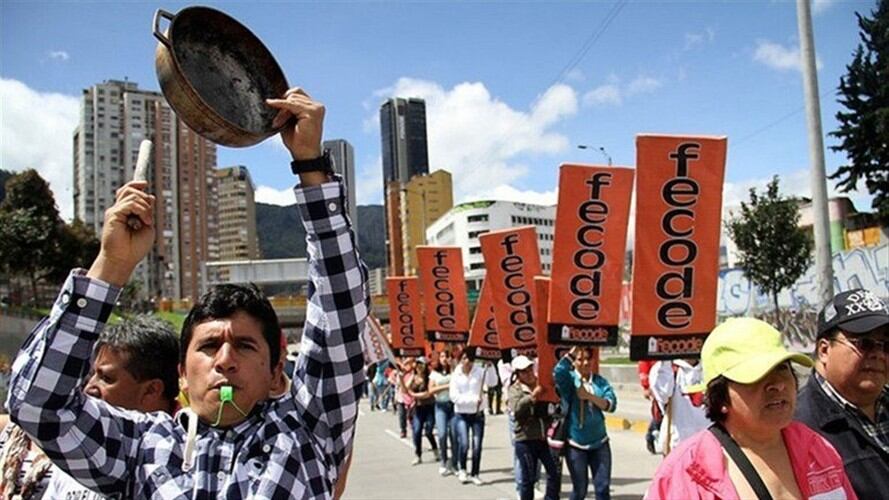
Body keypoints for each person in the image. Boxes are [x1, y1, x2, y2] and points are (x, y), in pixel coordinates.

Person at [7, 88, 369, 498]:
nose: (226, 360)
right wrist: (112, 265)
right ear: (181, 373)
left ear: (274, 374)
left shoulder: (308, 428)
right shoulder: (139, 448)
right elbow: (38, 404)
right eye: (209, 346)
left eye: (246, 346)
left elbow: (339, 308)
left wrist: (310, 164)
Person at [646, 318, 857, 500]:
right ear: (720, 397)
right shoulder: (687, 471)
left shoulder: (817, 448)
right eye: (756, 375)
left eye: (782, 368)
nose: (778, 385)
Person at [43, 316, 180, 499]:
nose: (89, 389)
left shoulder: (186, 457)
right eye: (91, 375)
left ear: (151, 390)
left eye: (106, 378)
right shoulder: (79, 444)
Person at [795, 289, 889, 499]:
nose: (878, 355)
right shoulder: (797, 426)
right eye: (864, 344)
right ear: (824, 351)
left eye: (887, 346)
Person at [554, 347, 616, 500]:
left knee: (602, 488)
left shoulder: (599, 382)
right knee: (580, 490)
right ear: (575, 362)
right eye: (580, 359)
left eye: (588, 359)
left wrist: (589, 396)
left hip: (600, 442)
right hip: (576, 444)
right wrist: (572, 352)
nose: (585, 363)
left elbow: (611, 404)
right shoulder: (569, 381)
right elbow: (558, 371)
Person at [508, 355, 559, 500]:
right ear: (518, 374)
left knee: (553, 472)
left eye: (530, 369)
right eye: (524, 371)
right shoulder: (515, 389)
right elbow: (516, 408)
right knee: (529, 478)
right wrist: (533, 396)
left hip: (543, 438)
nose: (529, 374)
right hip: (525, 440)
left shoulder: (541, 384)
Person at [450, 349, 498, 485]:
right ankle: (463, 469)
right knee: (464, 443)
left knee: (477, 445)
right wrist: (472, 400)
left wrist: (490, 367)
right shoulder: (456, 375)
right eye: (464, 359)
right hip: (461, 414)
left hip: (477, 415)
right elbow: (454, 396)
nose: (467, 362)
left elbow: (493, 382)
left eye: (470, 359)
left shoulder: (479, 371)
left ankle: (475, 473)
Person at [648, 358, 709, 454]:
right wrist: (666, 361)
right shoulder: (666, 368)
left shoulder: (711, 365)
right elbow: (663, 395)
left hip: (710, 445)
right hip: (678, 446)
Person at [401, 357, 439, 465]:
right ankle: (418, 455)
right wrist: (401, 378)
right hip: (418, 408)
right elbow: (404, 390)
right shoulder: (414, 377)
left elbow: (428, 393)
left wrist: (413, 395)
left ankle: (435, 450)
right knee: (416, 431)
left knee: (428, 431)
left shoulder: (429, 377)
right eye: (417, 365)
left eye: (421, 365)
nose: (419, 367)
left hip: (430, 407)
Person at [429, 350, 458, 476]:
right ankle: (443, 461)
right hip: (441, 406)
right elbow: (431, 390)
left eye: (447, 356)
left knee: (454, 435)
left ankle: (454, 463)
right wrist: (446, 387)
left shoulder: (455, 372)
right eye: (442, 356)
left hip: (453, 406)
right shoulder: (434, 374)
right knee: (442, 434)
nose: (444, 359)